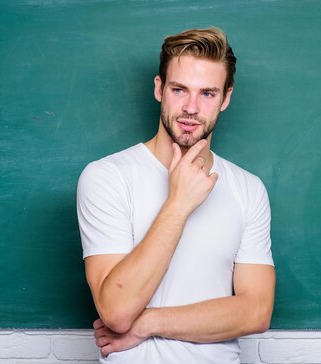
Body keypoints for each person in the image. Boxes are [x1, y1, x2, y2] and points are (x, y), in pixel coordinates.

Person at [76, 27, 275, 363]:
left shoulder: (248, 188)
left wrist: (151, 323)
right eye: (179, 90)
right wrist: (179, 203)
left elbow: (256, 312)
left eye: (208, 94)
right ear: (159, 89)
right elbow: (117, 311)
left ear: (226, 98)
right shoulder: (106, 177)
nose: (191, 108)